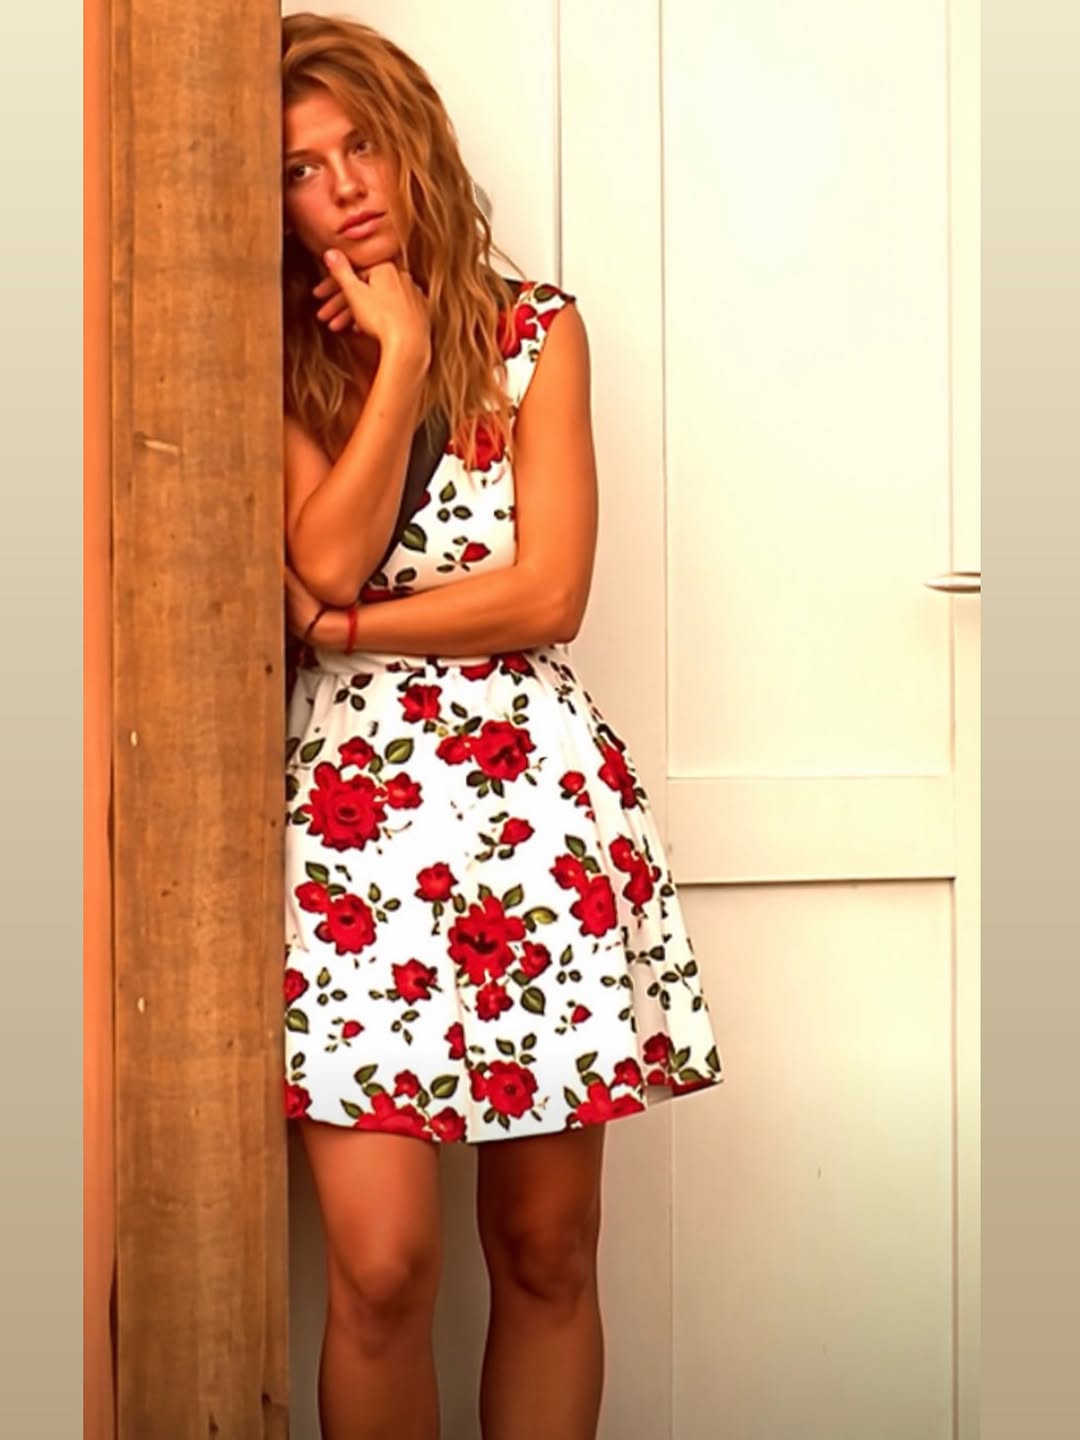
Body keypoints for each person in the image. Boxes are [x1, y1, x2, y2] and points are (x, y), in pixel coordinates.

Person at [279, 14, 724, 1440]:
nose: (343, 186)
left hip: (533, 819)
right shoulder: (267, 357)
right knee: (382, 1268)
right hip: (351, 843)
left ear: (413, 142)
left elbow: (548, 594)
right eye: (299, 168)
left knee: (544, 1251)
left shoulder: (540, 333)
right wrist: (402, 359)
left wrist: (345, 630)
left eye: (360, 145)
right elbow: (326, 555)